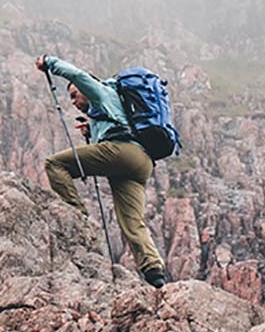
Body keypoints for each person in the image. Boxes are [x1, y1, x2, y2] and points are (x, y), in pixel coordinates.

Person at [36, 54, 167, 287]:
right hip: (141, 163)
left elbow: (76, 75)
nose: (74, 101)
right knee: (132, 221)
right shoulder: (109, 109)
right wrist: (92, 130)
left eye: (75, 95)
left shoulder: (101, 91)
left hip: (121, 151)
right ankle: (154, 270)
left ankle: (77, 216)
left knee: (55, 164)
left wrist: (49, 62)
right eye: (71, 99)